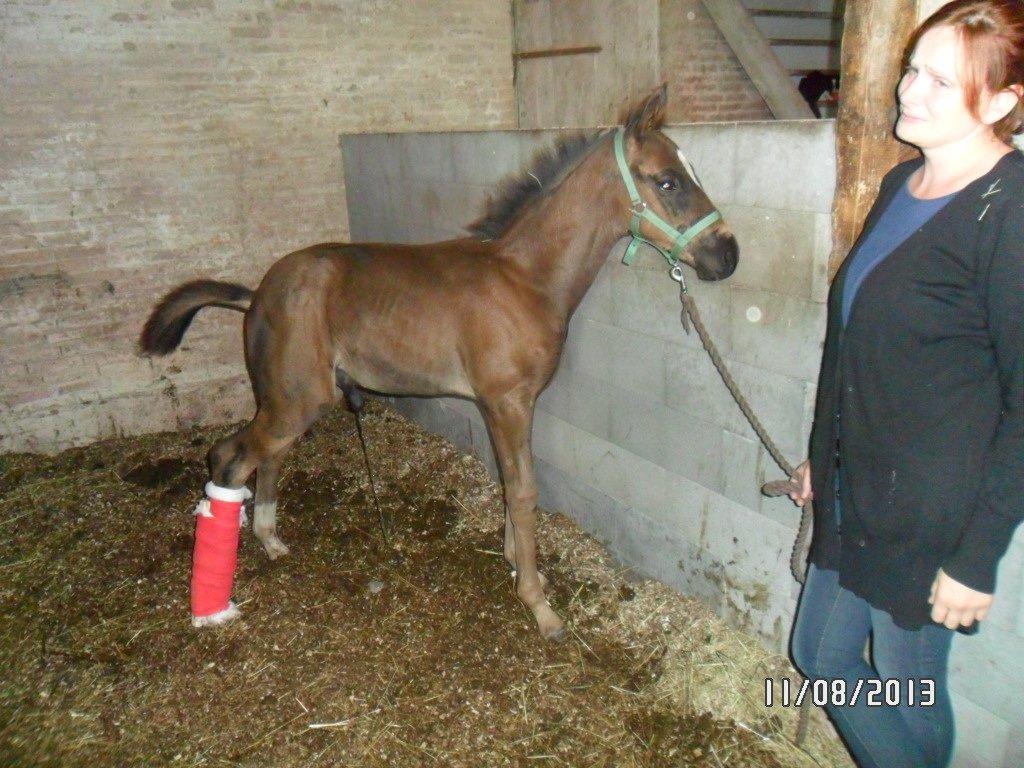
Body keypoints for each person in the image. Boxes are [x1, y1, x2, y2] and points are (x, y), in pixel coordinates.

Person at [787, 2, 1023, 767]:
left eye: (938, 80)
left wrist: (976, 557)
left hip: (930, 519)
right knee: (818, 655)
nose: (907, 91)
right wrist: (822, 458)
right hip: (859, 488)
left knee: (910, 685)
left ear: (999, 103)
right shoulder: (898, 186)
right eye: (912, 67)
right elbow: (850, 341)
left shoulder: (1008, 214)